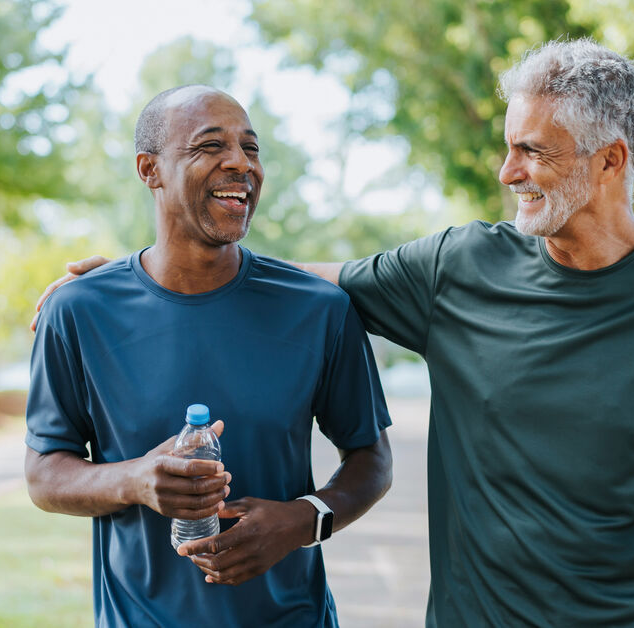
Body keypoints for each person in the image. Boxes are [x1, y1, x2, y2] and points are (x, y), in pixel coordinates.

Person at [34, 40, 634, 627]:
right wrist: (133, 278)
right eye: (508, 146)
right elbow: (302, 281)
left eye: (531, 151)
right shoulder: (460, 268)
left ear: (610, 161)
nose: (507, 171)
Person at [24, 84, 393, 628]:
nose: (241, 163)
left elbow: (372, 460)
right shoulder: (79, 311)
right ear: (150, 170)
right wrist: (135, 480)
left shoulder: (320, 310)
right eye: (209, 146)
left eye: (251, 147)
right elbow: (44, 474)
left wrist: (301, 520)